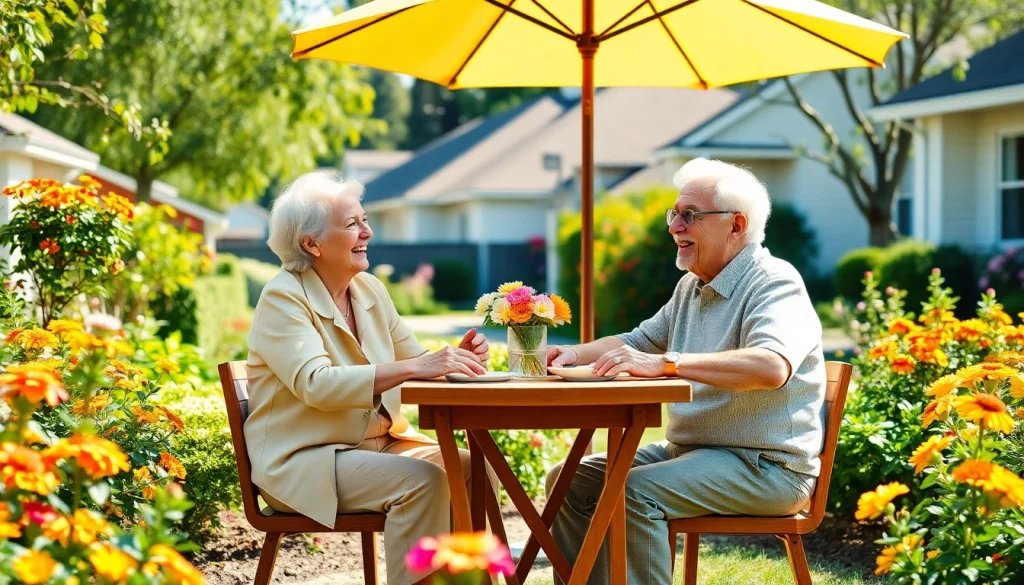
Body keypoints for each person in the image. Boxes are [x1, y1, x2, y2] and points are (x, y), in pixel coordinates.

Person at [545, 158, 826, 585]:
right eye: (674, 214)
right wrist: (569, 354)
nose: (675, 226)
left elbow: (772, 366)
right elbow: (637, 342)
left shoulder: (773, 282)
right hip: (694, 454)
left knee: (634, 493)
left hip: (764, 467)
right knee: (569, 480)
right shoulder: (692, 285)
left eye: (689, 215)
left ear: (736, 225)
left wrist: (669, 364)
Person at [244, 170, 490, 585]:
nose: (368, 232)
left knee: (474, 467)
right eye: (353, 224)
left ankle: (471, 581)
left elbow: (416, 359)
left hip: (378, 448)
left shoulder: (369, 290)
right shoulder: (283, 296)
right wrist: (417, 367)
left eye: (365, 220)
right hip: (305, 460)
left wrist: (454, 360)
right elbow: (316, 383)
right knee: (424, 480)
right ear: (311, 244)